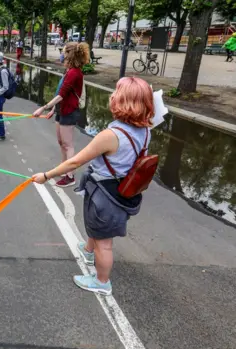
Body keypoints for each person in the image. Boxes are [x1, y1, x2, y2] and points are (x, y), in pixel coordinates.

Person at [32, 77, 154, 296]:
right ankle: (89, 251)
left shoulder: (111, 135)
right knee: (97, 231)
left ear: (121, 100)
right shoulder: (145, 131)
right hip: (122, 191)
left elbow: (75, 161)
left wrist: (46, 175)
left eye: (117, 92)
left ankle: (101, 282)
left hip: (106, 194)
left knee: (104, 243)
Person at [32, 42, 89, 187]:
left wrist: (43, 108)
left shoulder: (75, 73)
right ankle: (64, 168)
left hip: (69, 112)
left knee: (68, 145)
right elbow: (61, 93)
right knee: (61, 142)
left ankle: (70, 176)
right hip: (62, 110)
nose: (62, 55)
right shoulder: (69, 71)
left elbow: (62, 95)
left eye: (64, 52)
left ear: (69, 55)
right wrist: (53, 110)